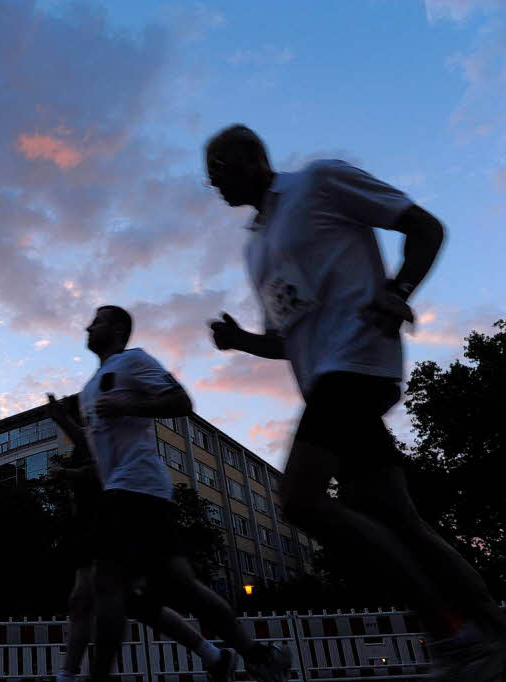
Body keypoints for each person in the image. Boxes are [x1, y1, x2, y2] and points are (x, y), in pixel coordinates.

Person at [205, 124, 506, 681]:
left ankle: (449, 634)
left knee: (299, 499)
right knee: (397, 516)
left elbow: (423, 226)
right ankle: (491, 631)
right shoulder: (255, 248)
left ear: (253, 156)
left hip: (360, 362)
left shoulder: (318, 181)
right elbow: (287, 334)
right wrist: (242, 341)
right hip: (327, 383)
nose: (213, 183)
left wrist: (398, 292)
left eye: (219, 168)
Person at [56, 306, 291, 682]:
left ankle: (95, 679)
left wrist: (129, 404)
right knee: (175, 586)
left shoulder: (132, 361)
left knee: (108, 585)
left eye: (97, 320)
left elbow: (181, 401)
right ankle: (257, 654)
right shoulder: (87, 390)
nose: (88, 325)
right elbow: (100, 453)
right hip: (128, 494)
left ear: (117, 329)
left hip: (136, 488)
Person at [45, 394, 237, 682]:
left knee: (83, 598)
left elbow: (100, 471)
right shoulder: (86, 441)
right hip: (92, 528)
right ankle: (214, 655)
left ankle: (68, 675)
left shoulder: (103, 438)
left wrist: (66, 474)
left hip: (112, 527)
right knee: (135, 606)